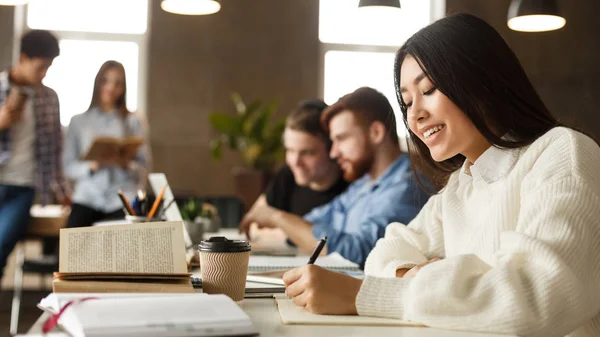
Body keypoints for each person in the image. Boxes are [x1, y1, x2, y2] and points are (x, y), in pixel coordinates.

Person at [281, 13, 600, 337]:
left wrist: (367, 295)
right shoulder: (462, 184)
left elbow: (533, 299)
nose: (415, 114)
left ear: (482, 79)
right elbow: (385, 253)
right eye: (407, 101)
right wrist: (427, 279)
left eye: (429, 89)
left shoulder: (563, 154)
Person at [240, 87, 429, 267]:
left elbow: (359, 253)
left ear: (376, 133)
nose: (333, 153)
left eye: (341, 138)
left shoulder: (407, 187)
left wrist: (277, 217)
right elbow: (317, 220)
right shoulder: (363, 183)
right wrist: (286, 225)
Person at [0, 30, 71, 279]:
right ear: (22, 58)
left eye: (48, 68)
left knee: (1, 248)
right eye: (40, 66)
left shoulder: (49, 98)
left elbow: (55, 150)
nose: (44, 74)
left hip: (24, 188)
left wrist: (62, 189)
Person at [63, 60, 149, 228]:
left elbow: (145, 166)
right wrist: (91, 166)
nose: (111, 88)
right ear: (98, 83)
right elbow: (67, 166)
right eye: (106, 81)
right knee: (69, 247)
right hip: (87, 197)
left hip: (121, 197)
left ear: (124, 88)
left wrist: (126, 164)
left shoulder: (134, 122)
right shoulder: (79, 122)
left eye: (118, 83)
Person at [244, 99, 348, 239]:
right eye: (290, 150)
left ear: (332, 149)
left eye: (307, 153)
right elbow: (252, 225)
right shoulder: (287, 175)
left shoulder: (352, 185)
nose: (295, 162)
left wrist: (280, 223)